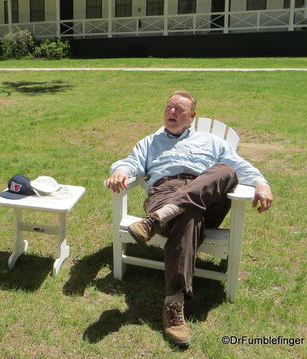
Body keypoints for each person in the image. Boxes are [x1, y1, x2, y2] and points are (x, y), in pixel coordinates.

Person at [104, 90, 272, 347]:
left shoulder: (211, 142)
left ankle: (158, 219)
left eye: (179, 110)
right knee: (189, 215)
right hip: (164, 192)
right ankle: (174, 305)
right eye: (169, 107)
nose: (171, 112)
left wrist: (261, 183)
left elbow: (239, 167)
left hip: (205, 200)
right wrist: (120, 171)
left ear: (192, 116)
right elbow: (130, 162)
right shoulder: (150, 142)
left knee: (225, 170)